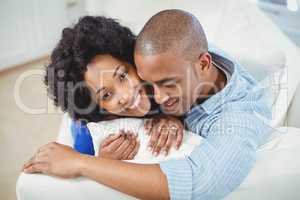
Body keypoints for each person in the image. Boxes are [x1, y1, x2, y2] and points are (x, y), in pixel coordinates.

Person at [23, 10, 272, 200]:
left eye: (123, 75)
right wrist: (99, 155)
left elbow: (198, 181)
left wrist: (81, 163)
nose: (159, 98)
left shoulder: (238, 117)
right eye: (107, 94)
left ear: (204, 64)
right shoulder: (158, 67)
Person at [44, 15, 184, 158]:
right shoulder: (87, 131)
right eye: (106, 95)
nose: (126, 95)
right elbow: (84, 159)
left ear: (131, 60)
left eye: (123, 76)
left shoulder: (158, 79)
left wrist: (173, 117)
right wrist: (102, 159)